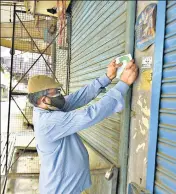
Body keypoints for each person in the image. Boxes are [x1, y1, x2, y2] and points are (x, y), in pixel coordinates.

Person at [27, 59, 138, 194]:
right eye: (56, 92)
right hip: (60, 190)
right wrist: (123, 84)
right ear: (43, 99)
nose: (60, 94)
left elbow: (77, 98)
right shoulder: (47, 122)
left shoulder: (47, 107)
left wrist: (107, 77)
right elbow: (90, 115)